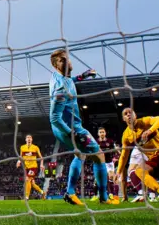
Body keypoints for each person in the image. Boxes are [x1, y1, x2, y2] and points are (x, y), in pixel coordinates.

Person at [48, 49, 118, 205]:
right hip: (71, 128)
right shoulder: (61, 89)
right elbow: (54, 117)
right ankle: (104, 198)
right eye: (62, 60)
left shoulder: (59, 77)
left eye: (67, 58)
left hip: (64, 128)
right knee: (99, 156)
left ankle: (70, 193)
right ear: (55, 65)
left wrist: (82, 76)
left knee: (80, 155)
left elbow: (70, 80)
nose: (66, 61)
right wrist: (73, 133)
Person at [90, 127, 118, 201]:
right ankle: (95, 195)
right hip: (100, 163)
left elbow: (115, 150)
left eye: (103, 132)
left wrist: (115, 157)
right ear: (98, 134)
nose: (102, 133)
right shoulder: (95, 142)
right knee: (96, 180)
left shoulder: (110, 141)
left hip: (109, 162)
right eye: (100, 132)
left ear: (105, 133)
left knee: (111, 177)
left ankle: (111, 194)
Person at [16, 134, 46, 200]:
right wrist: (18, 162)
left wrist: (41, 164)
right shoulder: (22, 147)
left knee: (27, 179)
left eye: (30, 137)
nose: (29, 139)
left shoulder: (35, 147)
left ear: (32, 139)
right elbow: (20, 157)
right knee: (32, 184)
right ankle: (42, 192)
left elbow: (41, 158)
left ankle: (26, 197)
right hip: (26, 167)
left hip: (33, 166)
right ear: (25, 140)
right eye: (27, 137)